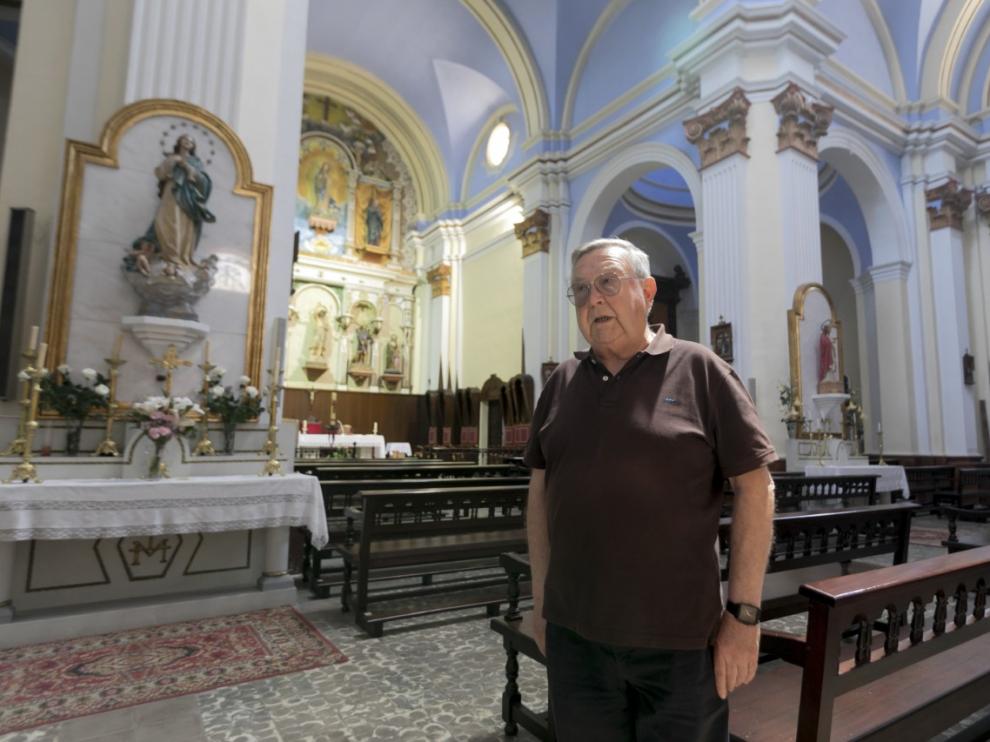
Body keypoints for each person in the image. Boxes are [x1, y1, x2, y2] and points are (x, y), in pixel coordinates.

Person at [525, 237, 777, 740]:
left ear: (646, 290)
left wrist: (744, 618)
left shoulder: (701, 370)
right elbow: (539, 495)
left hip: (681, 645)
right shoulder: (561, 383)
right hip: (577, 641)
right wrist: (541, 602)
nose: (593, 298)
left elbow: (757, 488)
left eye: (607, 282)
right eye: (580, 290)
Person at [133, 134, 216, 271]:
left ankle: (179, 258)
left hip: (189, 197)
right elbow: (161, 173)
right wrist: (174, 161)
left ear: (193, 145)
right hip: (172, 191)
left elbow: (205, 182)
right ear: (179, 142)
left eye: (191, 140)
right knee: (167, 220)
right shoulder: (172, 157)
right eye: (185, 139)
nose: (187, 142)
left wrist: (190, 170)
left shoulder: (196, 162)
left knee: (184, 225)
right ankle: (168, 255)